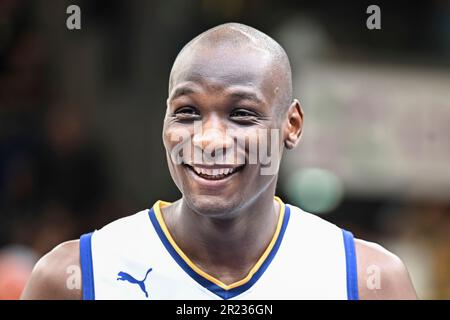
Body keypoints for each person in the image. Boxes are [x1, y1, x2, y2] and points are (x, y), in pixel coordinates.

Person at [21, 23, 417, 300]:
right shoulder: (75, 277)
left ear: (291, 125)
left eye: (242, 114)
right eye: (188, 112)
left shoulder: (367, 282)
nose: (209, 140)